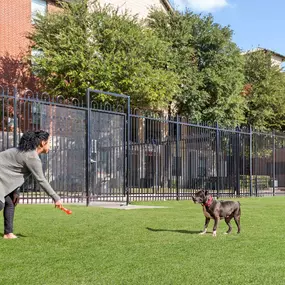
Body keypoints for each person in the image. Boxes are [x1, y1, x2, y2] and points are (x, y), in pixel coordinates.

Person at [0, 130, 62, 239]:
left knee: (10, 203)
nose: (50, 145)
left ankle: (8, 233)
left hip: (3, 179)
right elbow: (41, 180)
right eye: (49, 142)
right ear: (43, 143)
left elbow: (13, 171)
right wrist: (56, 198)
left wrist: (15, 191)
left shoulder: (23, 152)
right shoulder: (31, 157)